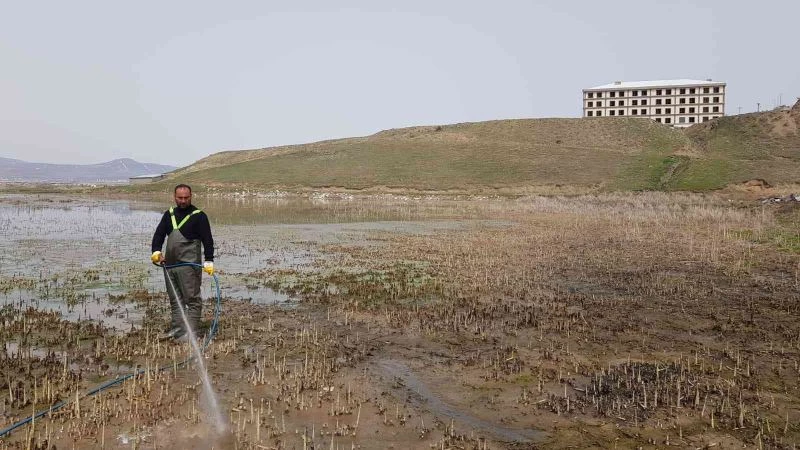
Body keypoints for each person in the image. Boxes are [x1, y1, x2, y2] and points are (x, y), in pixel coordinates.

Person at [151, 184, 215, 340]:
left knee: (192, 300)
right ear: (175, 197)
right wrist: (156, 251)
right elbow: (159, 235)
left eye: (186, 198)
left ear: (191, 196)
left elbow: (208, 240)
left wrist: (209, 260)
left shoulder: (199, 216)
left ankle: (190, 332)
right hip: (169, 266)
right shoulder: (169, 214)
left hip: (189, 267)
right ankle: (178, 330)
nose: (183, 201)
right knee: (175, 300)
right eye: (180, 198)